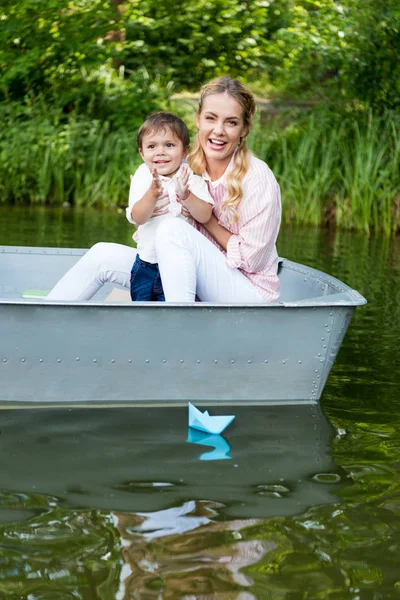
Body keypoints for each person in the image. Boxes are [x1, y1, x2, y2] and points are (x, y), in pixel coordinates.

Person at [47, 76, 281, 303]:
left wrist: (205, 221)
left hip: (246, 290)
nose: (218, 130)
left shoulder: (257, 178)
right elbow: (146, 228)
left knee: (172, 229)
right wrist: (148, 200)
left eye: (231, 122)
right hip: (188, 272)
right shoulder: (183, 165)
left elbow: (253, 261)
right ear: (198, 119)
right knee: (102, 255)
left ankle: (176, 323)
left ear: (244, 129)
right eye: (211, 118)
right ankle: (40, 318)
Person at [127, 112, 214, 301]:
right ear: (142, 153)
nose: (160, 152)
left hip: (179, 266)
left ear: (184, 151)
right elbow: (138, 217)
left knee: (170, 311)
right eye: (151, 146)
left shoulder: (189, 175)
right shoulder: (143, 176)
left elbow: (205, 215)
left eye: (169, 145)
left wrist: (186, 196)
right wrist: (152, 194)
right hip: (146, 264)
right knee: (141, 312)